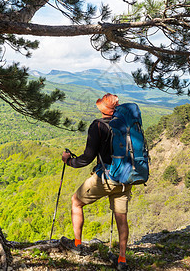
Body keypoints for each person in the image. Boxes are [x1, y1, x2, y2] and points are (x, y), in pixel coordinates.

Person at [60, 93, 131, 271]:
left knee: (76, 202)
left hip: (106, 178)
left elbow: (87, 158)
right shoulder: (126, 123)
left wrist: (69, 161)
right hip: (126, 178)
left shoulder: (98, 126)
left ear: (102, 109)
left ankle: (77, 244)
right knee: (121, 218)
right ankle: (122, 259)